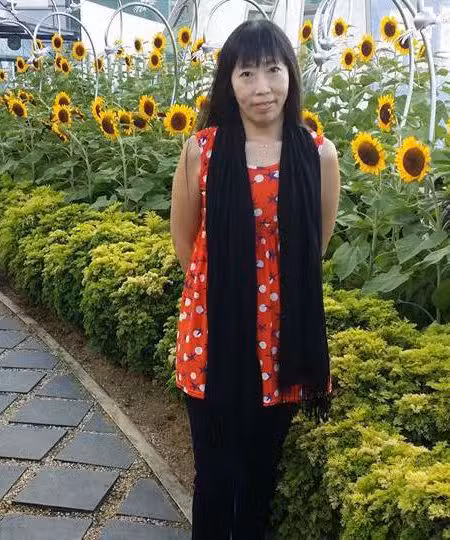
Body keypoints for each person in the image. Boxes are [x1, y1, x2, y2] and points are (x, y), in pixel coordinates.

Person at [170, 18, 340, 540]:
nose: (262, 87)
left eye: (273, 70)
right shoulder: (202, 150)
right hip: (214, 336)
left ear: (290, 74)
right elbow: (185, 242)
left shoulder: (318, 154)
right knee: (214, 476)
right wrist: (228, 292)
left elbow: (316, 243)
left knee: (259, 476)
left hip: (282, 340)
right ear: (229, 82)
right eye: (246, 73)